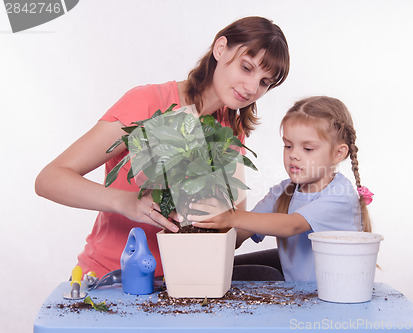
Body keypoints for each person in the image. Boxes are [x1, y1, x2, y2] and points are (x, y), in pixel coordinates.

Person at [34, 16, 290, 278]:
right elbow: (49, 179)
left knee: (277, 270)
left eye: (264, 82)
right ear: (220, 48)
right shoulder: (148, 102)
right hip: (116, 276)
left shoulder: (227, 130)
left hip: (182, 278)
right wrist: (128, 202)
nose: (251, 88)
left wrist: (282, 204)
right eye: (246, 68)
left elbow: (229, 233)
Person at [189, 96, 374, 281]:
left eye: (307, 149)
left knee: (264, 275)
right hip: (299, 288)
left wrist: (231, 216)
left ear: (338, 153)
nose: (293, 155)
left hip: (331, 294)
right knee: (229, 267)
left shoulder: (340, 194)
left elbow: (292, 225)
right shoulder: (283, 191)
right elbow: (241, 232)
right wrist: (205, 223)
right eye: (288, 146)